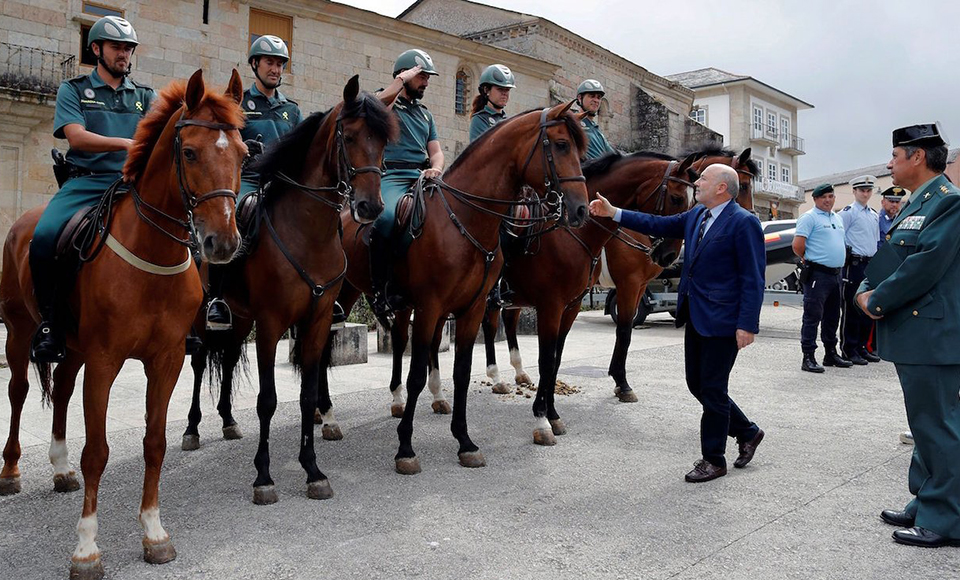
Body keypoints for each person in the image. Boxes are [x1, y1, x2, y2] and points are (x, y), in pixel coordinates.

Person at [589, 163, 765, 483]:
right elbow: (657, 222)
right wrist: (614, 212)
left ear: (722, 188)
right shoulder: (697, 215)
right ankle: (747, 431)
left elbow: (753, 277)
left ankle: (713, 459)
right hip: (695, 314)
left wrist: (748, 324)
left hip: (724, 320)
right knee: (697, 384)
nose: (696, 183)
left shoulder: (744, 223)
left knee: (712, 389)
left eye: (703, 179)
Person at [856, 122, 960, 548]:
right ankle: (926, 500)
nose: (889, 164)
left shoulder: (948, 203)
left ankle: (944, 519)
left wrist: (875, 301)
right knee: (925, 423)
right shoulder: (923, 202)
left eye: (895, 156)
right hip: (919, 331)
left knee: (937, 425)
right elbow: (896, 258)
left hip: (932, 333)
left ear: (918, 157)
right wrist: (867, 286)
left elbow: (924, 265)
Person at [30, 15, 155, 363]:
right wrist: (126, 143)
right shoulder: (73, 89)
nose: (124, 55)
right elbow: (76, 136)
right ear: (96, 48)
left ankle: (187, 322)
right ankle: (49, 325)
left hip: (132, 186)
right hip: (86, 182)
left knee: (185, 236)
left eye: (128, 49)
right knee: (43, 237)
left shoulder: (146, 95)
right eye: (117, 47)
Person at [205, 34, 303, 331]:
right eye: (270, 62)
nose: (275, 69)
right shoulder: (239, 104)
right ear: (255, 64)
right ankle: (218, 298)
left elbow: (299, 150)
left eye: (280, 64)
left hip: (284, 183)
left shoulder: (292, 109)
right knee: (236, 218)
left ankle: (320, 293)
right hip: (249, 179)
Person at [370, 49, 444, 327]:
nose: (426, 82)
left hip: (421, 175)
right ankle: (380, 291)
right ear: (404, 75)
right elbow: (375, 106)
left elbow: (436, 152)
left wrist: (436, 167)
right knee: (386, 218)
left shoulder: (425, 115)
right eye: (421, 76)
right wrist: (401, 81)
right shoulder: (386, 102)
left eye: (427, 77)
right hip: (391, 174)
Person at [792, 184, 850, 373]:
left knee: (833, 316)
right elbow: (798, 245)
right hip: (818, 273)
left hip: (836, 274)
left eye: (831, 196)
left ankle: (830, 353)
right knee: (812, 316)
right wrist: (810, 259)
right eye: (823, 196)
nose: (828, 200)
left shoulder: (837, 217)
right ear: (815, 199)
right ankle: (808, 356)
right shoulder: (809, 218)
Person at [839, 175, 880, 364]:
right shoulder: (848, 213)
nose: (865, 193)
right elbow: (840, 237)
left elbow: (876, 242)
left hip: (870, 264)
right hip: (854, 264)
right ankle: (849, 348)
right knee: (852, 308)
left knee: (867, 306)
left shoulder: (873, 214)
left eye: (868, 190)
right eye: (862, 190)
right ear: (854, 191)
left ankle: (862, 347)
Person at [469, 64, 515, 142]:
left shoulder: (510, 121)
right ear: (486, 90)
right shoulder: (479, 120)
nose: (504, 93)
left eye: (507, 90)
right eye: (500, 89)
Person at [576, 79, 615, 160]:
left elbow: (613, 156)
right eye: (592, 96)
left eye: (598, 97)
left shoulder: (596, 129)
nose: (596, 100)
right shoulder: (574, 124)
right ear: (580, 98)